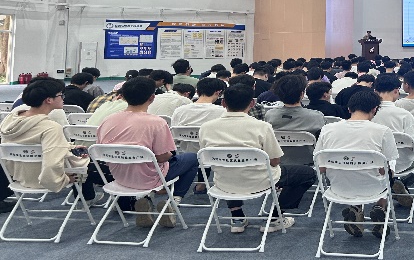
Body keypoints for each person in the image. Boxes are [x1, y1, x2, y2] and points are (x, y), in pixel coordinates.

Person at [199, 84, 316, 233]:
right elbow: (275, 161)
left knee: (229, 167)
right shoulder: (262, 126)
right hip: (261, 182)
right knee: (308, 174)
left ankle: (237, 217)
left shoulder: (206, 127)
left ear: (223, 103)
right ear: (252, 103)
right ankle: (275, 217)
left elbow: (205, 159)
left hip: (223, 183)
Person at [96, 76, 199, 227]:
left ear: (123, 96)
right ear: (152, 98)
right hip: (150, 178)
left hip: (119, 177)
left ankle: (148, 199)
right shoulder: (157, 122)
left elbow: (100, 151)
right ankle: (173, 202)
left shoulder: (107, 120)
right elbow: (163, 157)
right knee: (192, 158)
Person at [0, 79, 98, 208]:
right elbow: (52, 164)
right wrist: (65, 179)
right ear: (49, 100)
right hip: (42, 180)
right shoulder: (50, 127)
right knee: (92, 163)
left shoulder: (11, 119)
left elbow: (32, 145)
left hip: (18, 177)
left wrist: (69, 147)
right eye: (61, 95)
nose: (63, 98)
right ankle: (89, 199)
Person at [313, 90, 398, 239]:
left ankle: (356, 208)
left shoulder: (327, 130)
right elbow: (383, 171)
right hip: (373, 189)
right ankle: (380, 207)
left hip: (338, 189)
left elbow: (321, 167)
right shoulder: (383, 131)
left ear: (349, 109)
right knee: (389, 171)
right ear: (374, 109)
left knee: (352, 172)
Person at [370, 74, 414, 206]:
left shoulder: (368, 114)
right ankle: (399, 183)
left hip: (372, 163)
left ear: (375, 91)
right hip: (402, 163)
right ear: (396, 91)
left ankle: (392, 184)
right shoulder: (404, 115)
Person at [265, 74, 326, 166]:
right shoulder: (316, 116)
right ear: (302, 94)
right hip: (309, 165)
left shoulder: (270, 115)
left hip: (278, 165)